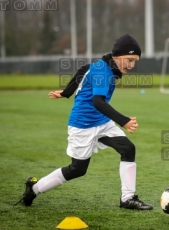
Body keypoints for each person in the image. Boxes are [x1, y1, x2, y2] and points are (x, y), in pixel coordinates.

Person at [15, 34, 153, 210]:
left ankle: (128, 198)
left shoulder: (103, 64)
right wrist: (124, 121)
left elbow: (83, 69)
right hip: (82, 125)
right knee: (77, 169)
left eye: (135, 61)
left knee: (128, 148)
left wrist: (66, 92)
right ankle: (34, 188)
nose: (132, 65)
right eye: (129, 60)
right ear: (117, 56)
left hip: (101, 121)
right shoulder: (103, 71)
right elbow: (98, 102)